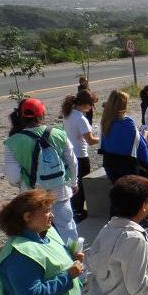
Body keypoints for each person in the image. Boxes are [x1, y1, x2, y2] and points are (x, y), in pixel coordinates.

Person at [4, 98, 79, 243]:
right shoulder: (58, 134)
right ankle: (75, 259)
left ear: (20, 117)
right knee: (68, 229)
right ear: (42, 114)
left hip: (33, 195)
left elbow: (13, 177)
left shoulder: (13, 142)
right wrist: (74, 182)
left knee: (39, 233)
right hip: (60, 192)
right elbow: (73, 162)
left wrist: (23, 184)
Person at [99, 90, 148, 187]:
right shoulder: (127, 122)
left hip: (110, 164)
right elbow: (139, 145)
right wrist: (145, 134)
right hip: (127, 166)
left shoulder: (105, 122)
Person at [61, 90, 99, 222]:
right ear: (85, 104)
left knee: (73, 181)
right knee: (81, 184)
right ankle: (79, 210)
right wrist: (103, 137)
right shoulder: (81, 119)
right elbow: (90, 140)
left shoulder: (68, 114)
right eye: (91, 105)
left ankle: (75, 208)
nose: (92, 108)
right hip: (81, 155)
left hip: (70, 154)